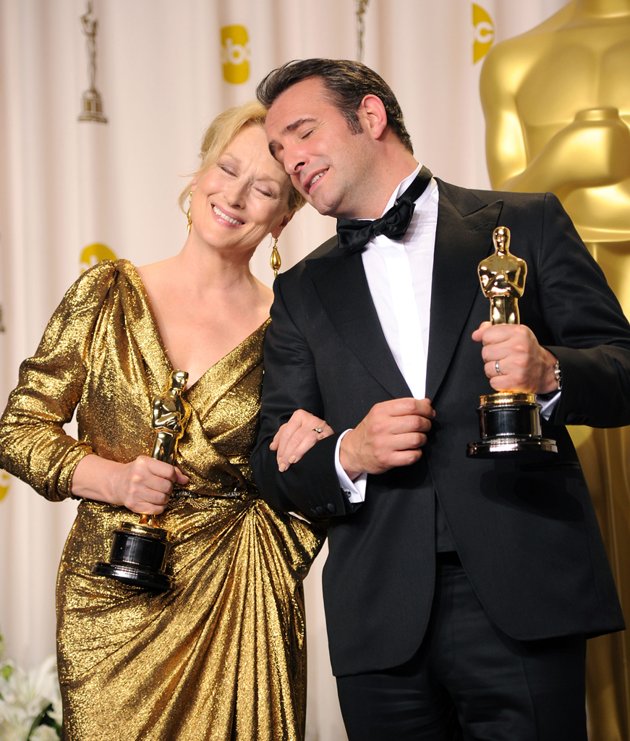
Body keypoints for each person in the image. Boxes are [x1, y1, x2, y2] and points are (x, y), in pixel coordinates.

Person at [250, 58, 630, 740]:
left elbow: (623, 369)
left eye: (303, 132)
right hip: (380, 621)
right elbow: (273, 460)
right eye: (279, 150)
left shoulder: (528, 222)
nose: (291, 160)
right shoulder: (300, 291)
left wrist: (551, 371)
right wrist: (349, 454)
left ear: (370, 116)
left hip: (525, 595)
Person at [0, 101, 330, 740]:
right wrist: (114, 480)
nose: (234, 195)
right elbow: (19, 430)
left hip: (237, 599)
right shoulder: (106, 294)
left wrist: (316, 445)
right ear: (200, 171)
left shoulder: (293, 329)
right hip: (110, 603)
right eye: (226, 169)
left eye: (264, 188)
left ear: (285, 216)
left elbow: (305, 470)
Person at [479, 3, 630, 735]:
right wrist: (563, 160)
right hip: (565, 312)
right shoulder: (513, 61)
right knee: (577, 521)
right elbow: (500, 220)